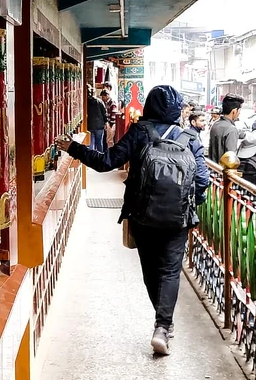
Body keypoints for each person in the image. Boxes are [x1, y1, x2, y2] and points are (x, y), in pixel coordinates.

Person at [56, 85, 209, 356]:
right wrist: (187, 205)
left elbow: (107, 162)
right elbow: (202, 180)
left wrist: (74, 148)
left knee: (150, 269)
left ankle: (163, 321)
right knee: (170, 270)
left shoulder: (140, 131)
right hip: (177, 220)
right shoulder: (190, 138)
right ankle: (162, 327)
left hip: (143, 214)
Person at [209, 93, 244, 163]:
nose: (239, 113)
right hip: (224, 169)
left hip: (213, 167)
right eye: (239, 111)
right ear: (234, 111)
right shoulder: (231, 130)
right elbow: (231, 160)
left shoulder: (215, 124)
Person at [87, 87, 107, 152]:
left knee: (91, 143)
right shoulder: (100, 102)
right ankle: (100, 156)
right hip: (99, 126)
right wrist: (105, 122)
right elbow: (104, 113)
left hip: (90, 125)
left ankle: (91, 156)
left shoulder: (86, 102)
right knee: (99, 143)